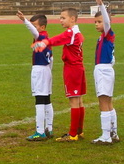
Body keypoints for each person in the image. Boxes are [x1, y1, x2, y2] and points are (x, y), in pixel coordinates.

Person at [33, 7, 86, 142]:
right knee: (79, 100)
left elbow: (60, 38)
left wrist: (45, 42)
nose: (60, 20)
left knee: (73, 101)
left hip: (72, 69)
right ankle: (79, 130)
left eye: (63, 18)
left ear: (72, 19)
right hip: (79, 68)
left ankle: (73, 134)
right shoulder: (76, 31)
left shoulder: (71, 32)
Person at [16, 10, 54, 141]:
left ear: (42, 27)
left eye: (35, 25)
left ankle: (40, 131)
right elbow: (52, 59)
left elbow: (34, 32)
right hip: (47, 70)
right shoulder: (47, 38)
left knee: (39, 100)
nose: (33, 28)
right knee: (47, 99)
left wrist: (24, 21)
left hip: (39, 70)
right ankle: (49, 127)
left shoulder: (41, 37)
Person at [91, 0, 118, 145]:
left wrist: (101, 5)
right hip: (105, 69)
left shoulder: (108, 34)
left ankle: (105, 135)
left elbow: (107, 22)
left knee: (103, 101)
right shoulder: (102, 37)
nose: (97, 24)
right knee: (108, 101)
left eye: (99, 21)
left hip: (103, 70)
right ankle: (113, 132)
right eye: (95, 22)